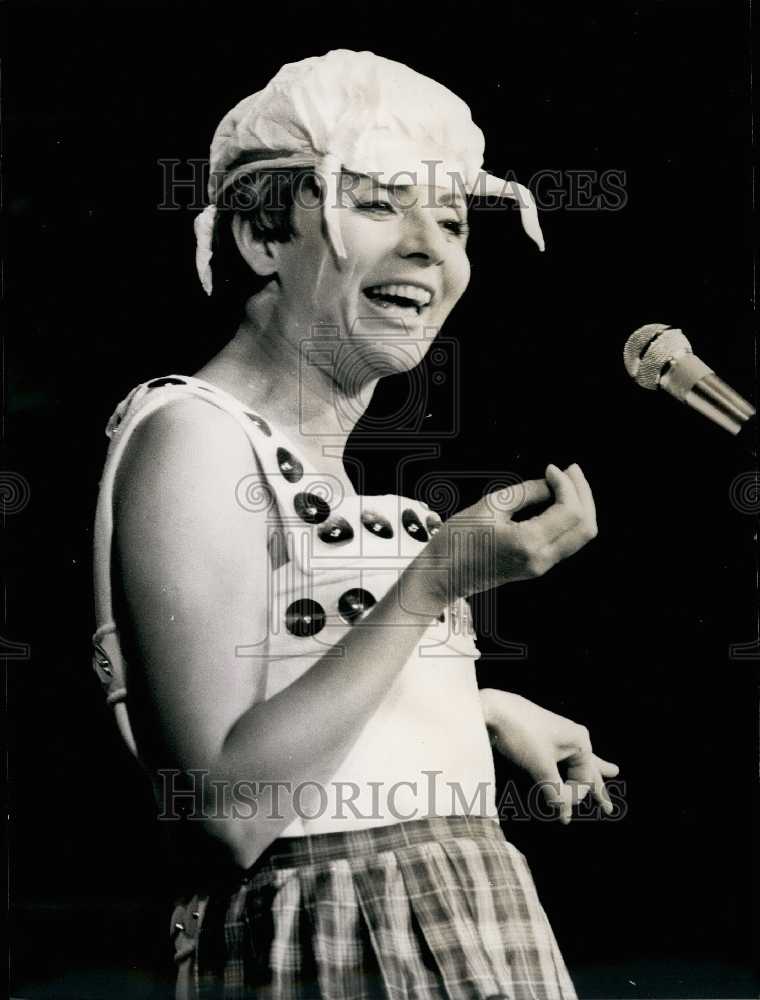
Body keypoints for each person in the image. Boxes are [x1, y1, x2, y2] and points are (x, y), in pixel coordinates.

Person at [91, 50, 618, 1000]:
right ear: (261, 235)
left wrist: (473, 711)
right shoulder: (196, 439)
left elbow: (301, 712)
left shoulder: (313, 466)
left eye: (453, 222)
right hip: (332, 950)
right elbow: (229, 805)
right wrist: (431, 587)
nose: (431, 247)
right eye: (377, 203)